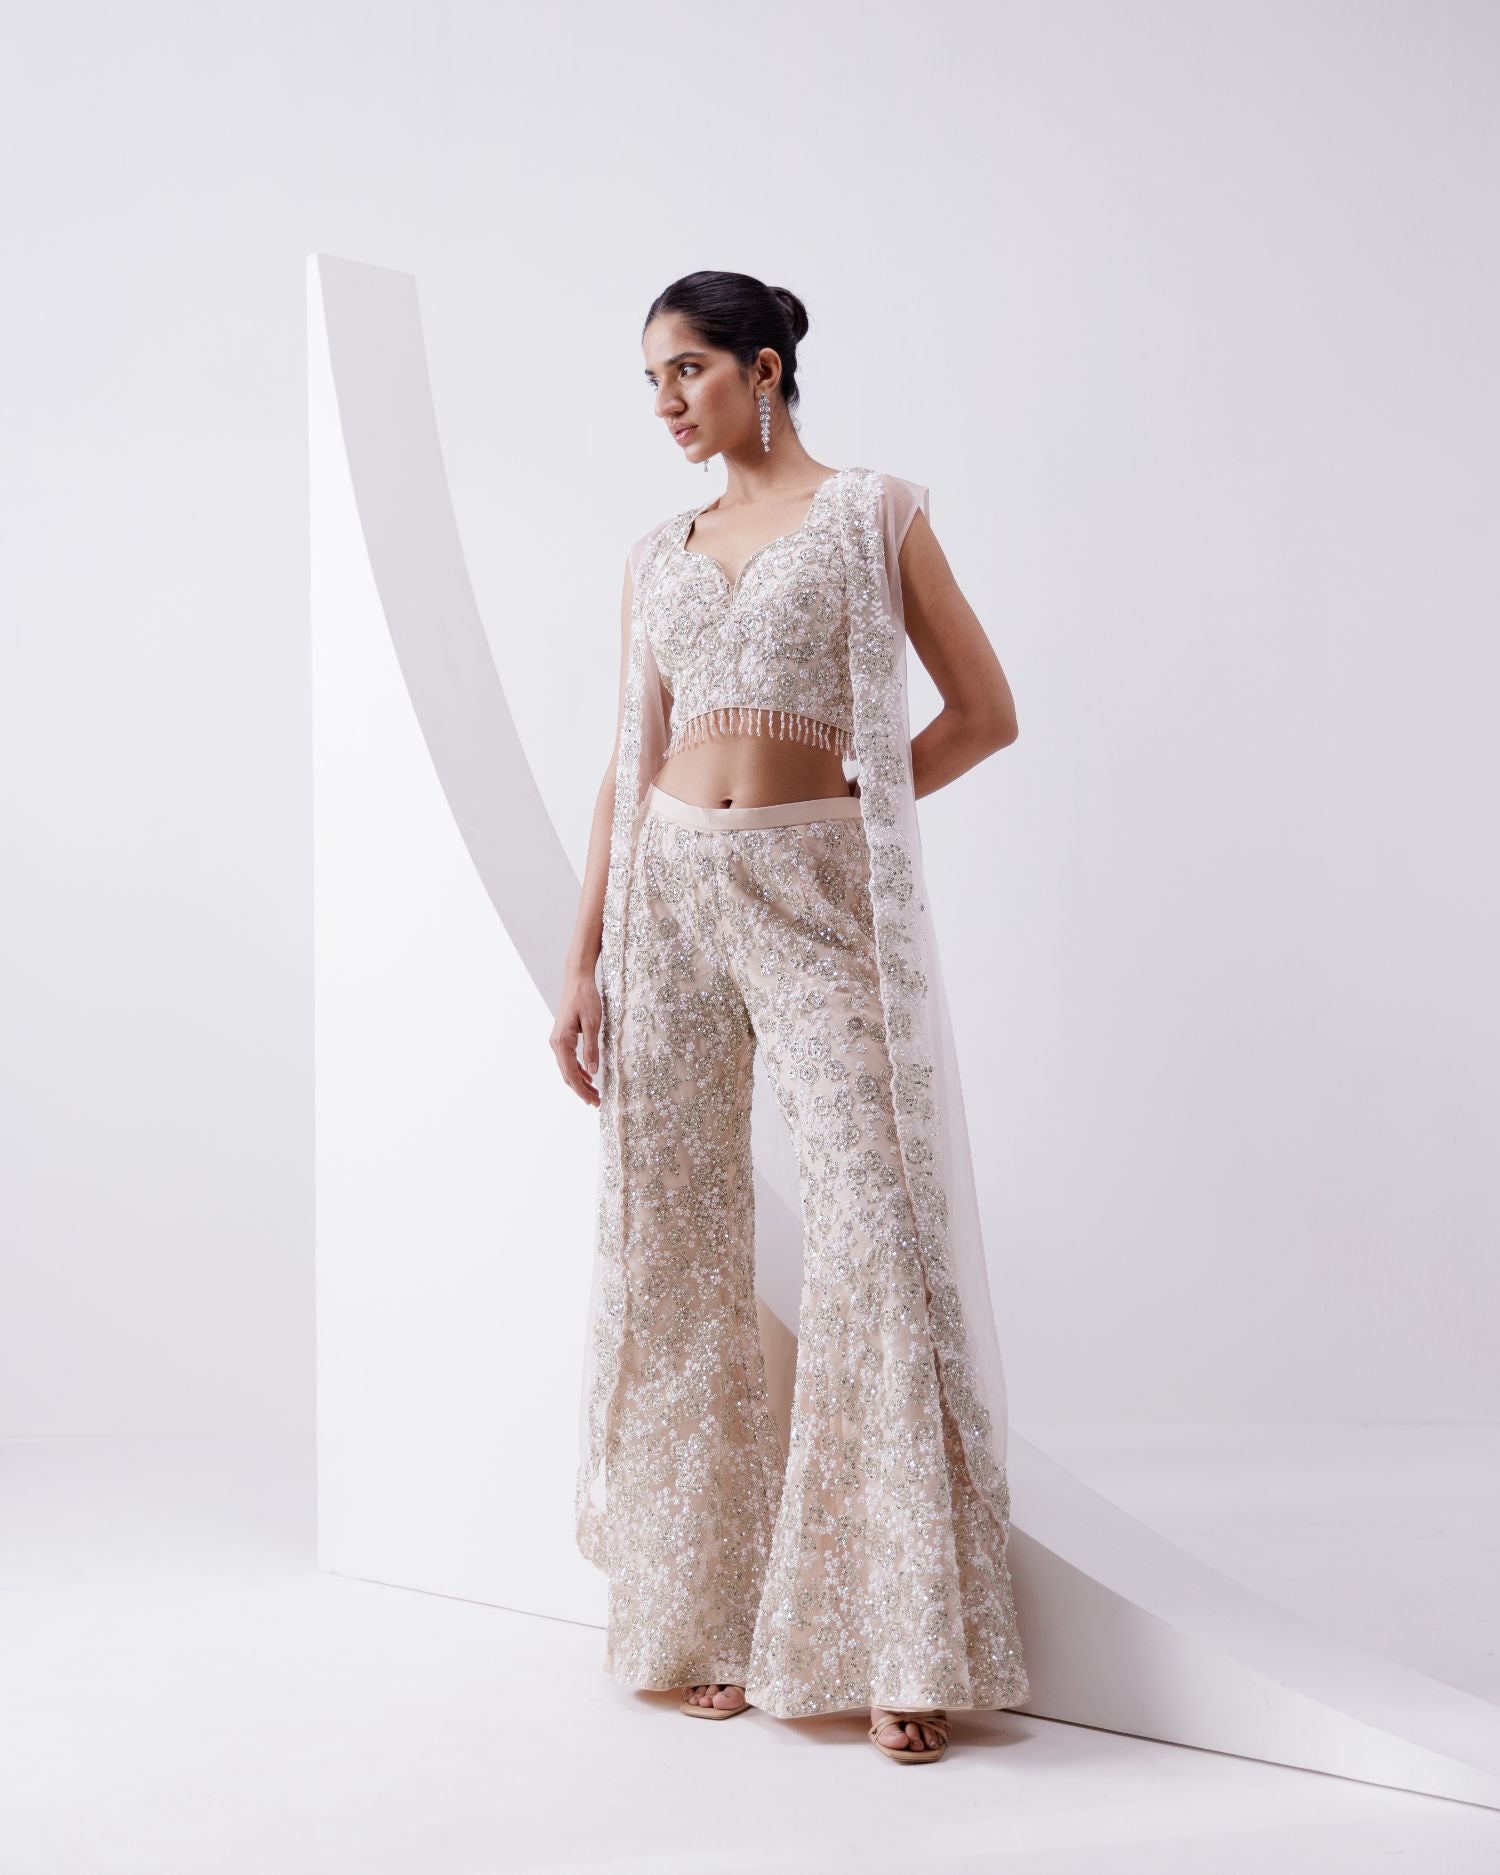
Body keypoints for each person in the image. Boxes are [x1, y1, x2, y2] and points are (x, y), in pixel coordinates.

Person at [551, 271, 1030, 1765]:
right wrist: (582, 960)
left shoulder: (874, 513)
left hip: (816, 897)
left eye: (687, 370)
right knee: (679, 1243)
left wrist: (851, 806)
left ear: (764, 370)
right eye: (651, 379)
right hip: (669, 902)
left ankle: (895, 1638)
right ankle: (700, 1621)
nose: (666, 402)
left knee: (874, 1230)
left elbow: (984, 714)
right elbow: (626, 758)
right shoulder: (657, 554)